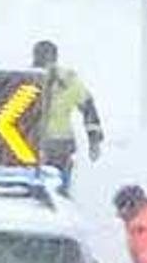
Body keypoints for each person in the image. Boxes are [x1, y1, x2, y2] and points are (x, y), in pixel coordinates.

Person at [32, 40, 104, 189]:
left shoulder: (68, 80)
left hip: (59, 144)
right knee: (36, 187)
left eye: (47, 59)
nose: (45, 64)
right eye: (42, 59)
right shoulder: (27, 79)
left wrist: (94, 139)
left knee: (57, 188)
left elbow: (88, 107)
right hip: (31, 143)